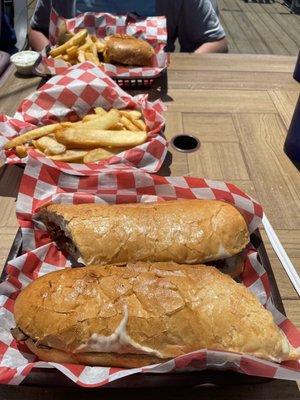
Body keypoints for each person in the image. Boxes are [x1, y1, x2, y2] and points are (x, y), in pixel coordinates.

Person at [29, 0, 228, 54]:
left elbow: (216, 42)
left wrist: (177, 74)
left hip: (153, 93)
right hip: (75, 92)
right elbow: (37, 29)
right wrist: (50, 57)